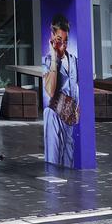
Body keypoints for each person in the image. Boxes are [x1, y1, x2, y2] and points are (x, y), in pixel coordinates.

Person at [42, 13, 78, 167]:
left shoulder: (74, 60)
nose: (63, 45)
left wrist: (78, 107)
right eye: (59, 40)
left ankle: (68, 186)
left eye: (65, 41)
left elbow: (77, 85)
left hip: (69, 112)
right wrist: (54, 55)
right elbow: (50, 90)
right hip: (55, 111)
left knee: (69, 156)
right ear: (52, 38)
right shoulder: (48, 61)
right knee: (53, 157)